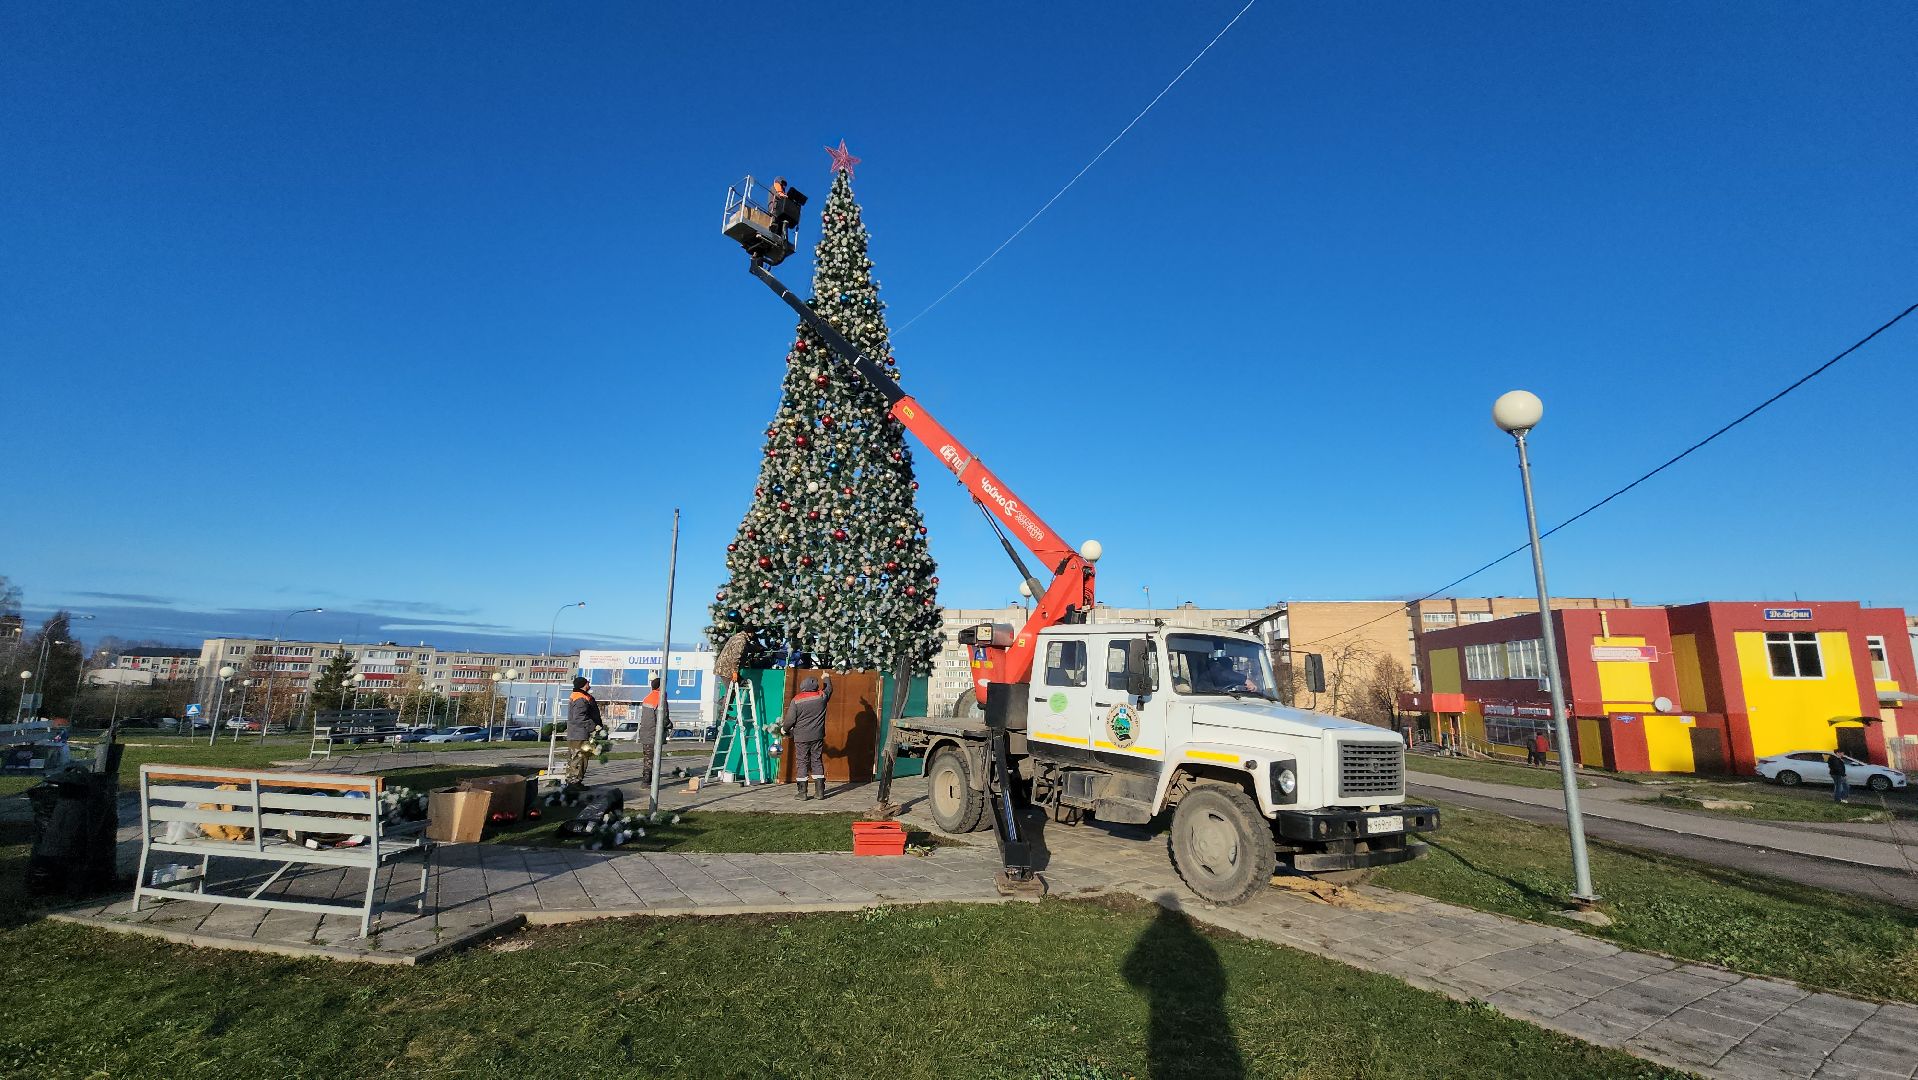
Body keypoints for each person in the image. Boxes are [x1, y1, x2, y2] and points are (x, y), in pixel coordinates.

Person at [783, 673, 831, 801]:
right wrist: (826, 677)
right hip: (817, 736)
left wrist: (784, 729)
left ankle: (802, 793)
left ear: (802, 686)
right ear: (815, 686)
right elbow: (829, 689)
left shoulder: (797, 699)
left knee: (802, 762)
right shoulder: (821, 696)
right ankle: (820, 792)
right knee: (817, 760)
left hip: (801, 737)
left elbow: (790, 720)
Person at [564, 676, 602, 789]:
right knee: (578, 757)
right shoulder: (580, 698)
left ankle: (575, 781)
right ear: (583, 685)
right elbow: (579, 717)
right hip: (578, 733)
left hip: (578, 732)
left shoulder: (579, 696)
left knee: (580, 756)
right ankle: (573, 783)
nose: (589, 684)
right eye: (587, 682)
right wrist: (593, 726)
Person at [635, 677, 662, 785]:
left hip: (645, 732)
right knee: (653, 758)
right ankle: (648, 781)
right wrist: (668, 724)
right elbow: (662, 716)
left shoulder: (647, 698)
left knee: (647, 757)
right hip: (654, 732)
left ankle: (648, 779)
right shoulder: (660, 698)